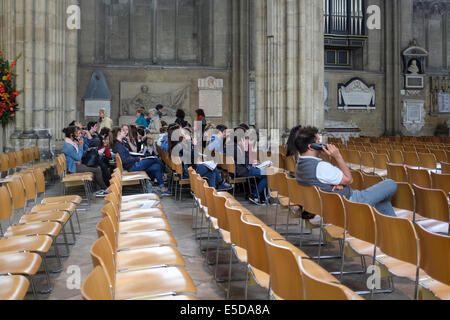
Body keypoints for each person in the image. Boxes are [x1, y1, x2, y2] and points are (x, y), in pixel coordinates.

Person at [294, 126, 397, 217]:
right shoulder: (320, 167)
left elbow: (321, 183)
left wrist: (339, 185)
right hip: (350, 203)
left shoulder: (299, 165)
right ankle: (392, 231)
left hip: (330, 206)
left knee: (381, 199)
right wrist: (337, 156)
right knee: (390, 184)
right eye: (318, 142)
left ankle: (393, 231)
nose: (321, 144)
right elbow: (349, 179)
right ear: (311, 147)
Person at [111, 127, 170, 196]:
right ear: (118, 133)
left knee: (156, 166)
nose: (124, 132)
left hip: (133, 165)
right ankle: (161, 178)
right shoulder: (118, 146)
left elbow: (128, 156)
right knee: (155, 158)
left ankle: (162, 187)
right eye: (122, 131)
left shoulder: (120, 144)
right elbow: (124, 160)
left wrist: (137, 157)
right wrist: (138, 159)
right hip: (132, 167)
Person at [168, 126, 231, 191]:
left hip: (188, 169)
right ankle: (220, 184)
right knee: (212, 166)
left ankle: (212, 192)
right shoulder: (179, 146)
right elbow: (193, 155)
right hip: (188, 172)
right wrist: (193, 144)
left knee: (211, 172)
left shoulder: (177, 145)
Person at [62, 126, 108, 197]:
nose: (80, 135)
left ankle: (100, 190)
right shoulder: (68, 146)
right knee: (97, 169)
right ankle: (104, 189)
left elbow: (77, 156)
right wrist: (80, 146)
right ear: (72, 135)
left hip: (76, 165)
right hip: (74, 168)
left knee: (96, 166)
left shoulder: (72, 143)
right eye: (79, 133)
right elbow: (78, 157)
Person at [233, 126, 268, 205]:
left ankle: (261, 197)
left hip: (243, 168)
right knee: (267, 174)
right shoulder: (237, 147)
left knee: (264, 172)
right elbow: (244, 161)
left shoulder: (236, 145)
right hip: (243, 170)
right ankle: (255, 196)